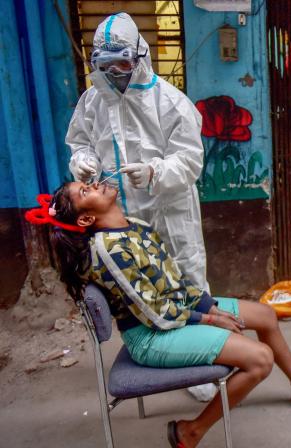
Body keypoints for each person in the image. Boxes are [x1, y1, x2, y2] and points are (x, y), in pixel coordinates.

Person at [28, 181, 291, 448]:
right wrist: (208, 319)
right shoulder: (109, 251)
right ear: (85, 220)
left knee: (264, 315)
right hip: (152, 335)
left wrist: (207, 306)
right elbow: (153, 312)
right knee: (260, 359)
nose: (95, 184)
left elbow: (173, 281)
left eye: (88, 183)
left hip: (170, 313)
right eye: (86, 192)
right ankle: (191, 431)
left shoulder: (135, 226)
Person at [66, 13, 209, 292]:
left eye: (123, 62)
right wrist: (83, 161)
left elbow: (190, 160)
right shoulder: (92, 102)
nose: (115, 71)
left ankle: (197, 333)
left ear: (139, 56)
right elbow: (80, 141)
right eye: (105, 65)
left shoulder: (170, 102)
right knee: (137, 287)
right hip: (117, 219)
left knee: (184, 283)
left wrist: (154, 172)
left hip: (168, 214)